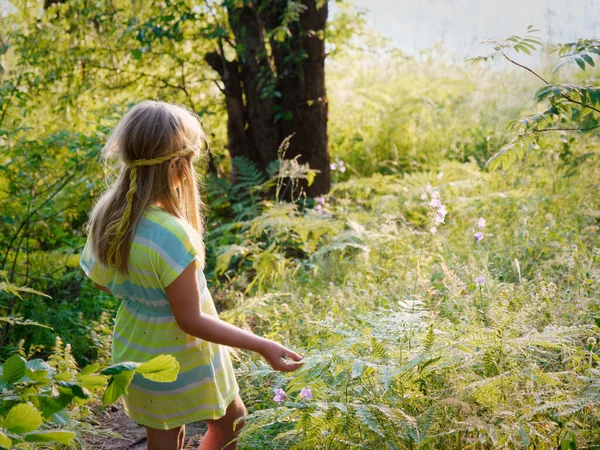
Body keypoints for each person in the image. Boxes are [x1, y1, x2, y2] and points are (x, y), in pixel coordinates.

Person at [79, 100, 303, 450]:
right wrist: (263, 345)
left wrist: (146, 297)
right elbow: (190, 320)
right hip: (184, 357)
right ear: (178, 167)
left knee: (165, 435)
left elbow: (99, 280)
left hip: (137, 350)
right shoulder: (171, 234)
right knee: (231, 421)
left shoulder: (108, 214)